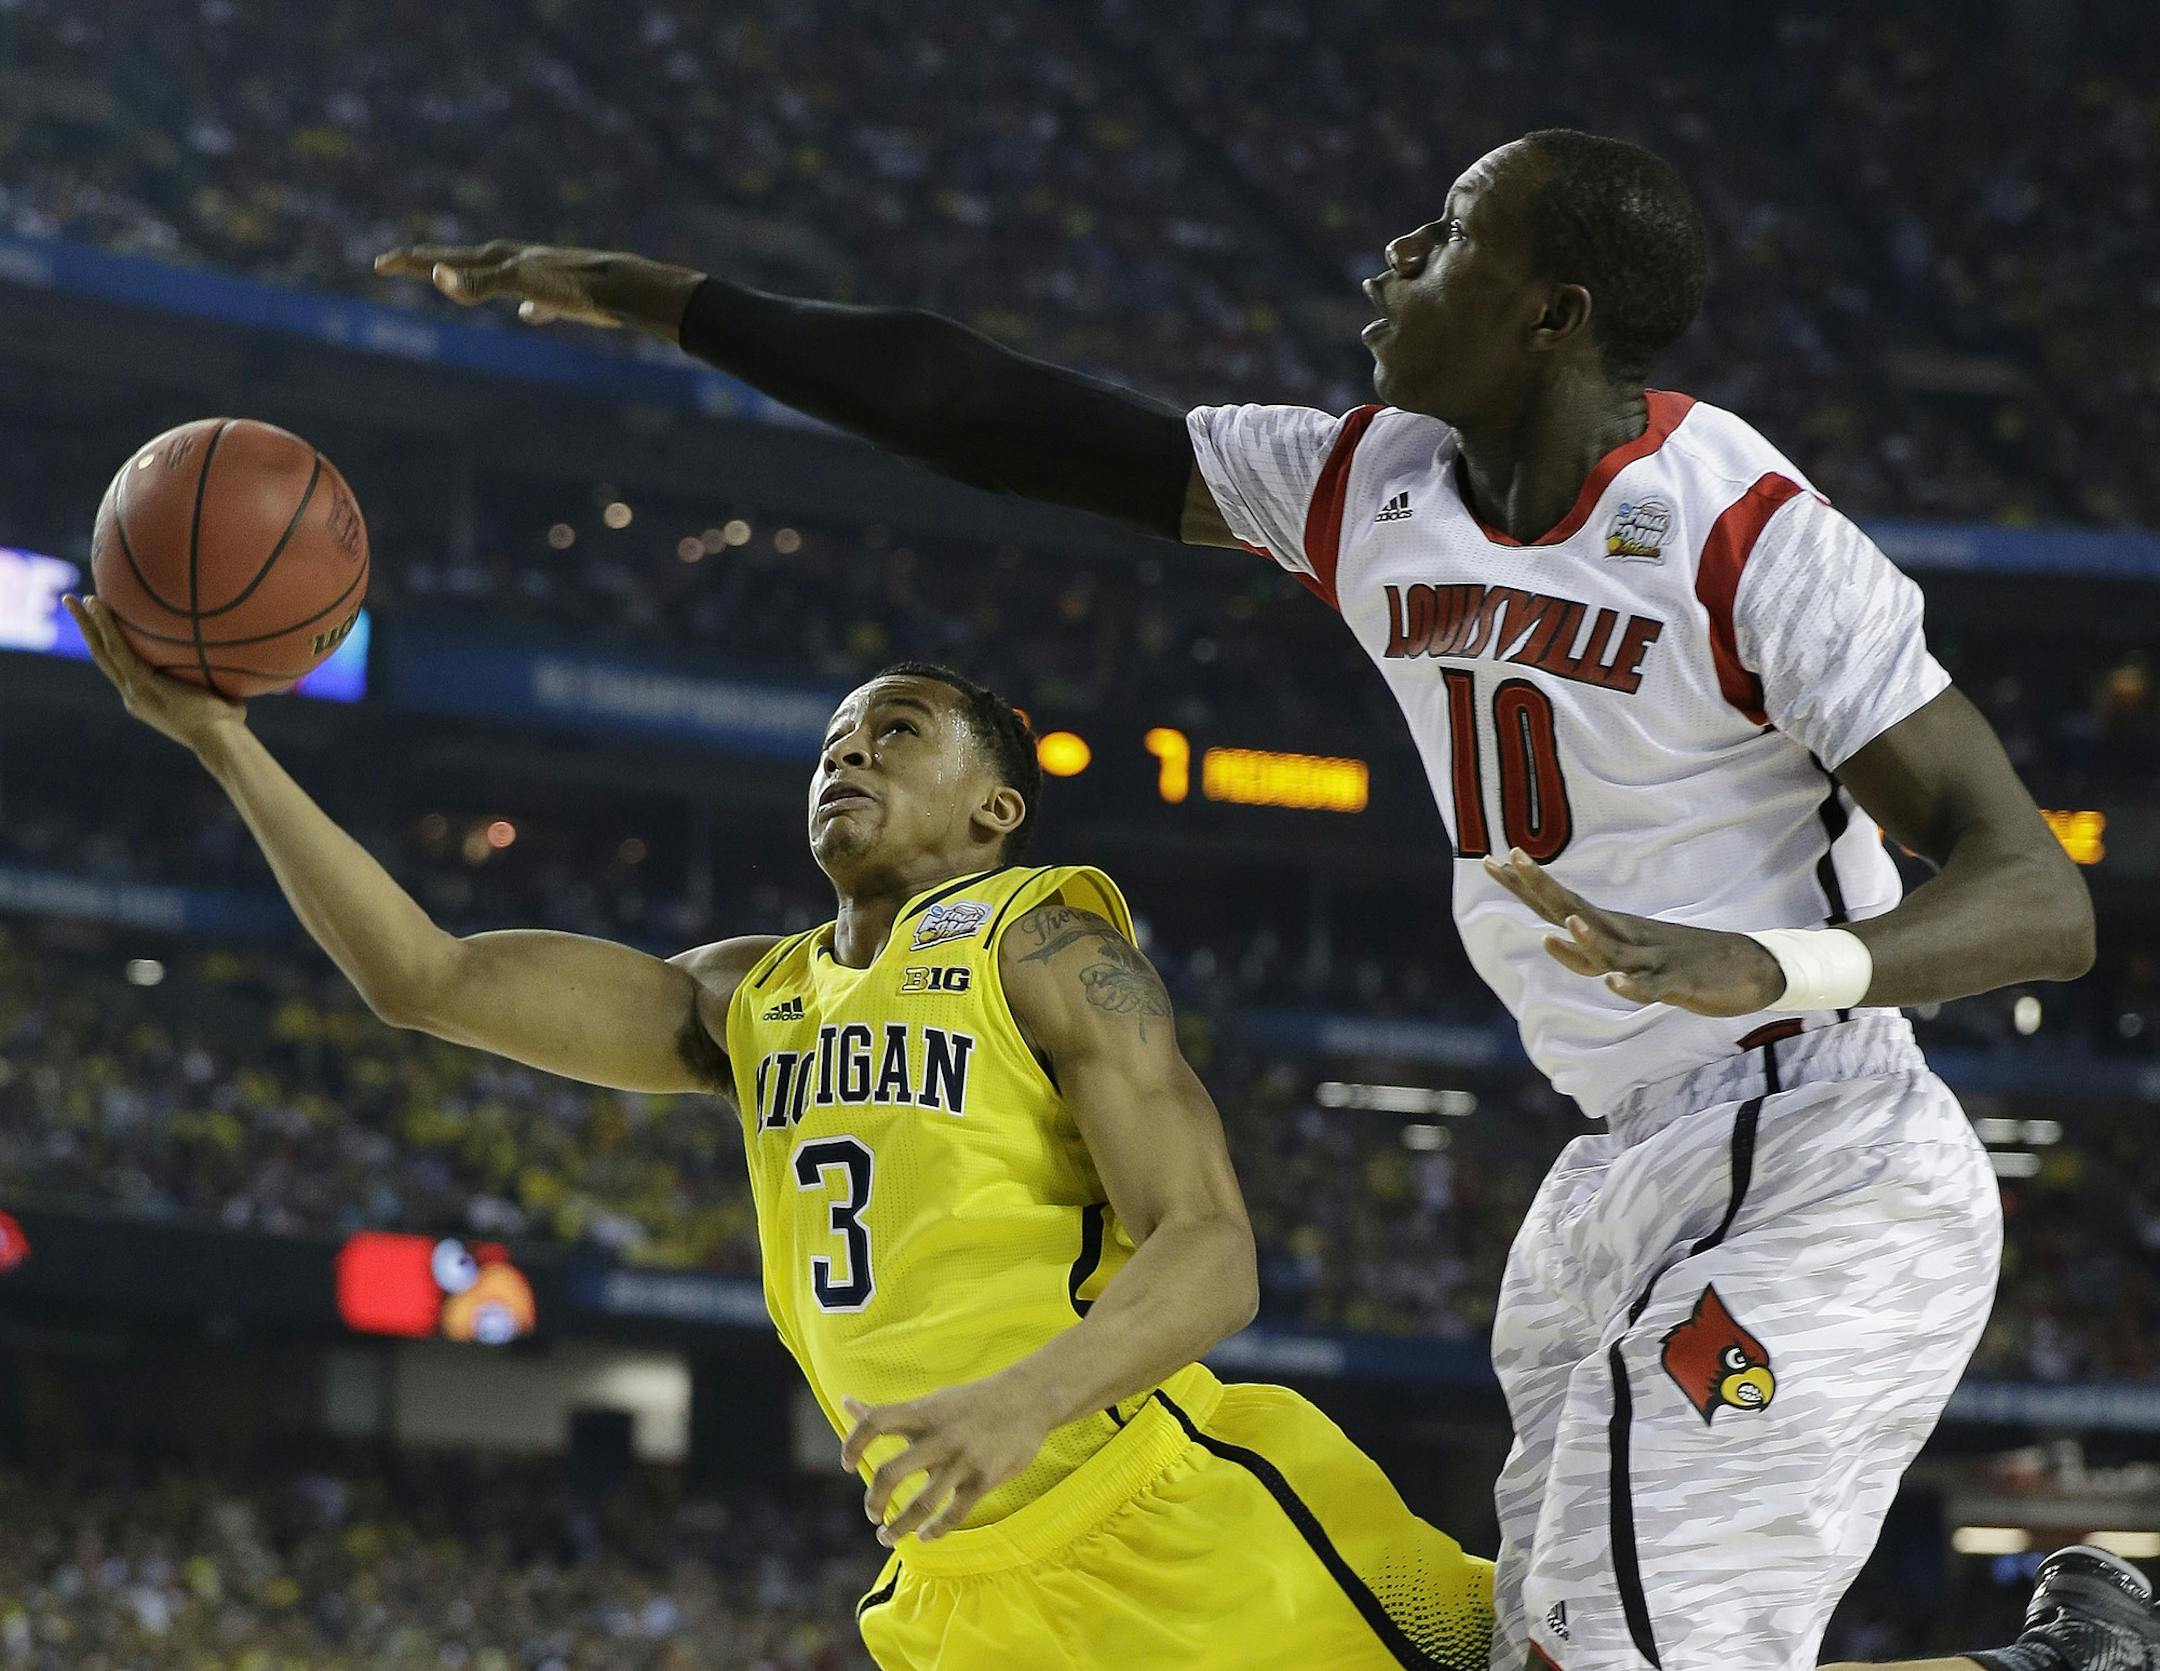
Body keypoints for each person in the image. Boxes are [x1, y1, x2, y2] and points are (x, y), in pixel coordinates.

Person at [373, 126, 2160, 1671]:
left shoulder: (1744, 529)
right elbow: (981, 409)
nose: (1395, 253)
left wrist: (1771, 963)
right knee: (1509, 1654)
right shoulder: (1365, 484)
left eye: (1450, 235)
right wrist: (660, 299)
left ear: (1551, 316)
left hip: (1817, 1143)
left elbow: (2038, 898)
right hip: (1615, 1165)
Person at [63, 596, 1492, 1671]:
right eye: (832, 742)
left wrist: (1019, 1403)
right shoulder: (749, 997)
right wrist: (226, 744)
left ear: (996, 806)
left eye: (896, 732)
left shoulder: (1046, 944)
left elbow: (1214, 1255)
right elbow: (425, 979)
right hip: (960, 1591)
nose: (849, 752)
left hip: (1173, 1509)